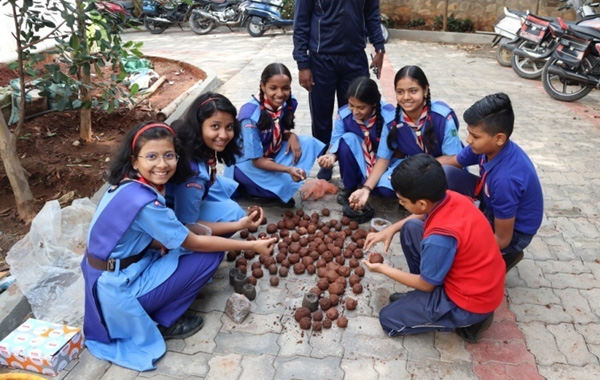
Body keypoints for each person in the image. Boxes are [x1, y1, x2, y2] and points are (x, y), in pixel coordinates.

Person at [81, 122, 276, 371]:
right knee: (208, 254)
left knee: (192, 241)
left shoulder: (127, 185)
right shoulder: (146, 203)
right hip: (117, 290)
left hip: (105, 277)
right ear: (134, 160)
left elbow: (182, 229)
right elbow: (193, 241)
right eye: (151, 156)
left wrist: (239, 223)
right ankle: (165, 321)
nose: (162, 164)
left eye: (168, 155)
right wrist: (253, 245)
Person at [363, 154, 505, 343]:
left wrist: (382, 269)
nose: (400, 204)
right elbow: (421, 216)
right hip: (473, 277)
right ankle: (424, 300)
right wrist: (390, 229)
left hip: (470, 302)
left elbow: (425, 283)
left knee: (388, 319)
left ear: (422, 203)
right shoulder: (451, 197)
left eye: (403, 201)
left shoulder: (439, 238)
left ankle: (470, 321)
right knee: (409, 228)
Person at [438, 93, 543, 272]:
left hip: (512, 233)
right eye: (469, 133)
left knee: (454, 256)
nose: (468, 140)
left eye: (475, 136)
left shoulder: (506, 179)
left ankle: (505, 256)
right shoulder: (487, 146)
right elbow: (452, 161)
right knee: (445, 174)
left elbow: (502, 238)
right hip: (491, 204)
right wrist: (420, 166)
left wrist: (462, 248)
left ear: (499, 138)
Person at [349, 65, 463, 215]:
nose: (406, 97)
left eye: (413, 91)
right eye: (400, 92)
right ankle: (415, 201)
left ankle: (434, 207)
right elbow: (383, 159)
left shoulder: (442, 117)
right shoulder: (392, 121)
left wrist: (422, 168)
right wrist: (366, 189)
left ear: (425, 90)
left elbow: (455, 158)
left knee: (448, 178)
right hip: (414, 166)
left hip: (442, 166)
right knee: (384, 185)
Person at [292, 0, 386, 181]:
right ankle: (324, 161)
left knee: (358, 115)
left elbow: (372, 14)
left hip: (355, 57)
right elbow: (301, 22)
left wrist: (379, 47)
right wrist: (303, 64)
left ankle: (352, 161)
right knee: (321, 117)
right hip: (321, 58)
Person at [224, 62, 325, 207]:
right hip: (247, 163)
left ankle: (275, 182)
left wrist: (291, 136)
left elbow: (275, 129)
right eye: (273, 88)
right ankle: (252, 189)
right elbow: (256, 160)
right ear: (262, 86)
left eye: (285, 88)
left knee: (308, 143)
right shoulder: (250, 116)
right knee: (282, 185)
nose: (280, 94)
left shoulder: (288, 103)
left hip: (270, 152)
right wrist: (288, 169)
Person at [168, 93, 250, 236]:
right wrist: (238, 225)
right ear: (198, 126)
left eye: (229, 127)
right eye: (215, 126)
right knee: (234, 214)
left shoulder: (196, 146)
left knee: (227, 185)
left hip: (189, 191)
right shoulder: (194, 175)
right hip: (174, 210)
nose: (223, 135)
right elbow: (187, 226)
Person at [316, 76, 396, 209]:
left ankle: (368, 184)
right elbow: (336, 141)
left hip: (385, 161)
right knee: (347, 139)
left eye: (361, 107)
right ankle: (350, 187)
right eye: (351, 105)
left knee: (385, 190)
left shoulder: (389, 117)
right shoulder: (344, 114)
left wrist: (368, 186)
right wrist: (330, 156)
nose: (355, 111)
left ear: (374, 104)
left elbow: (385, 157)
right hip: (362, 159)